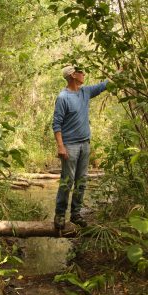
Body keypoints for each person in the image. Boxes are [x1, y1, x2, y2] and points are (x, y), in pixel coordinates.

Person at [52, 65, 108, 230]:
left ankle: (76, 214)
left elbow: (104, 85)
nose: (84, 74)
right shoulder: (63, 97)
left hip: (85, 144)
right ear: (73, 75)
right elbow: (56, 124)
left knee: (81, 181)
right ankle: (60, 215)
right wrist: (60, 147)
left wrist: (119, 74)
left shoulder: (85, 92)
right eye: (80, 72)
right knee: (67, 182)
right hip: (70, 146)